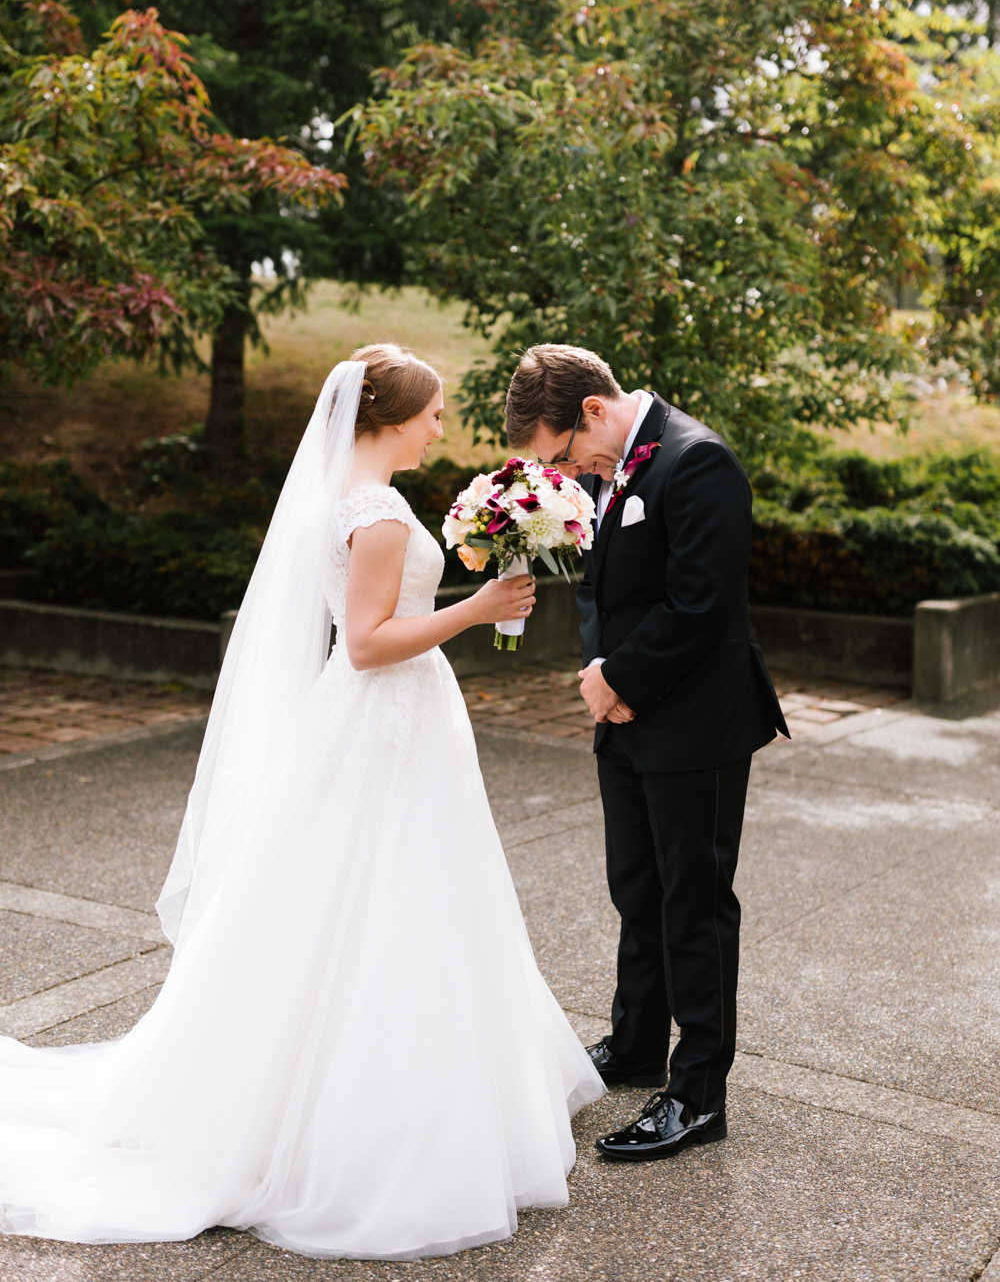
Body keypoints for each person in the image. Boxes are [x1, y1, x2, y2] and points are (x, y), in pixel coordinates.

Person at [0, 343, 604, 1258]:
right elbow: (365, 642)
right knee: (386, 899)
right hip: (385, 717)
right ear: (393, 421)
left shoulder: (351, 502)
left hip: (382, 720)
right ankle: (365, 1123)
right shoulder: (380, 517)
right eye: (433, 412)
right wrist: (476, 612)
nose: (442, 426)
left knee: (370, 899)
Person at [505, 343, 788, 1163]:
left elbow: (703, 603)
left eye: (561, 453)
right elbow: (602, 590)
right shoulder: (604, 472)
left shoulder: (700, 463)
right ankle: (635, 1046)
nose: (566, 470)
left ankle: (698, 1093)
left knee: (693, 903)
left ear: (593, 410)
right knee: (637, 888)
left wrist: (620, 677)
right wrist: (605, 682)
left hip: (696, 722)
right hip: (623, 718)